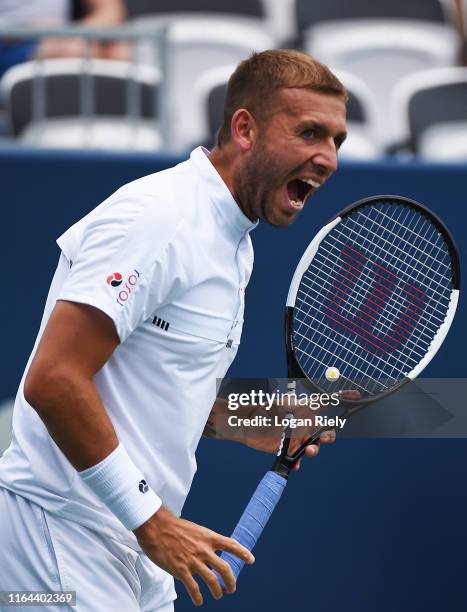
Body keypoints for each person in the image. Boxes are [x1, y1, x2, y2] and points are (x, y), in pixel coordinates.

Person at [0, 50, 347, 611]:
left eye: (337, 140)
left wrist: (245, 421)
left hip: (133, 547)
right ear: (244, 129)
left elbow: (144, 386)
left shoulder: (234, 240)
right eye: (310, 132)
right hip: (58, 534)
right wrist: (153, 521)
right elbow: (54, 380)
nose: (328, 158)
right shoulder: (159, 215)